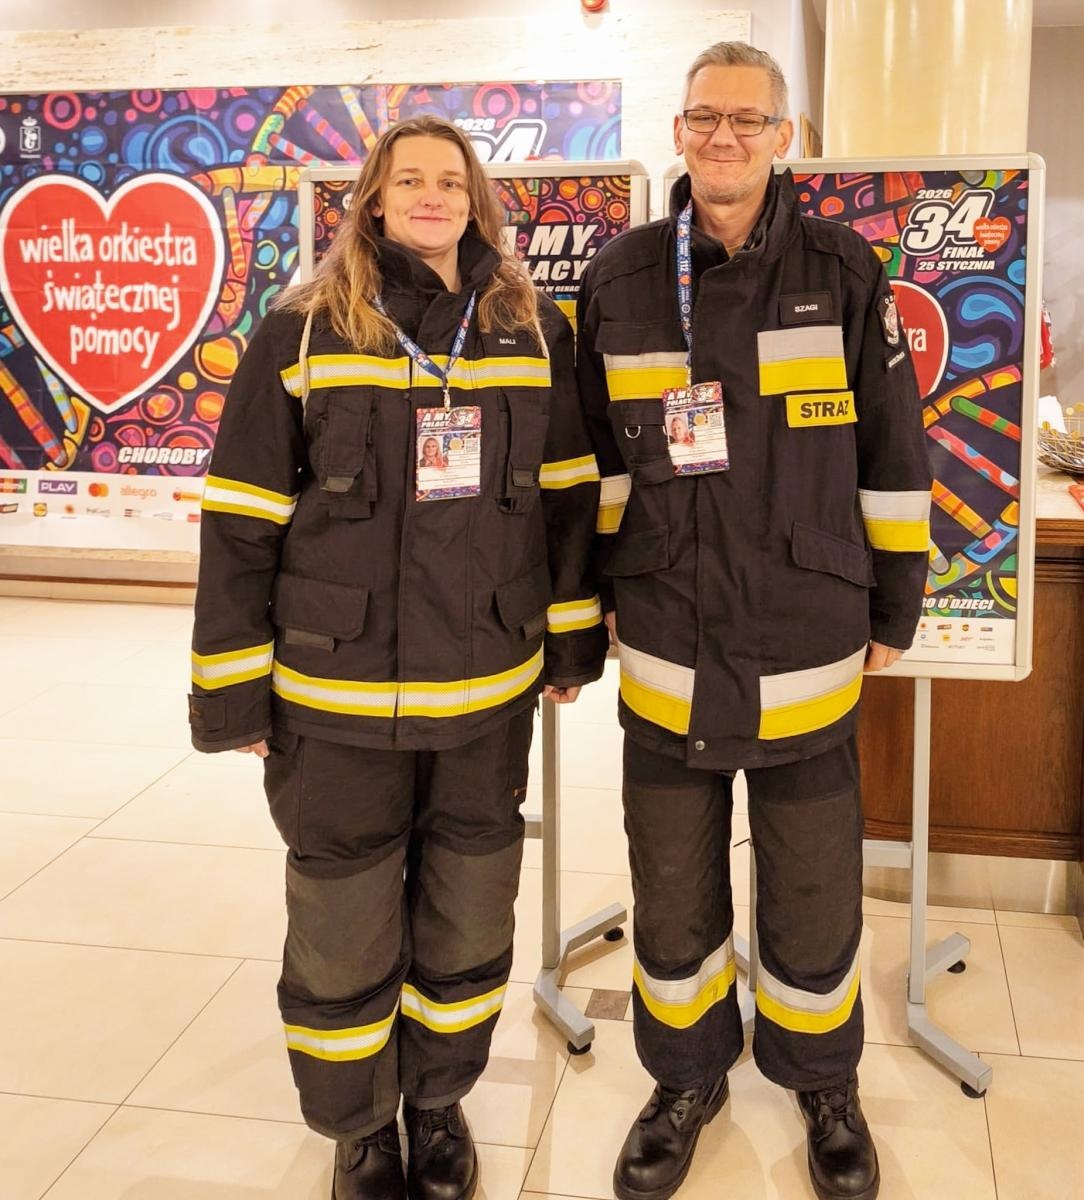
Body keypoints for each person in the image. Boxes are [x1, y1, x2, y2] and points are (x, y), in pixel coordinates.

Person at [189, 114, 608, 1200]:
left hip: (487, 689)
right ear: (370, 200)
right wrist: (232, 694)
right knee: (342, 920)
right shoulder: (300, 331)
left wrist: (567, 638)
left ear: (476, 202)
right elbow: (241, 518)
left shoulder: (529, 332)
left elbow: (564, 501)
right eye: (407, 180)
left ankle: (439, 1101)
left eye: (450, 181)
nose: (430, 196)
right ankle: (359, 1126)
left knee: (470, 909)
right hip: (334, 697)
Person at [577, 42, 931, 1200]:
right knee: (670, 886)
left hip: (804, 637)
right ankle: (685, 1078)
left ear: (788, 135)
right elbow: (588, 469)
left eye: (747, 119)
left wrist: (897, 598)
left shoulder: (843, 268)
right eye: (702, 118)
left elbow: (891, 453)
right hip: (671, 641)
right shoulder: (624, 277)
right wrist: (583, 618)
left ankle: (824, 1079)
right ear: (677, 132)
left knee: (816, 882)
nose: (723, 137)